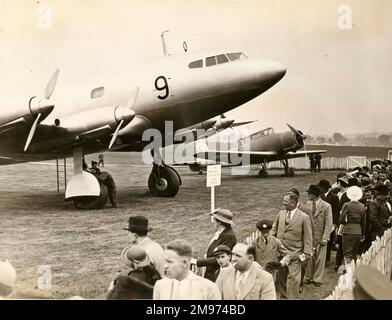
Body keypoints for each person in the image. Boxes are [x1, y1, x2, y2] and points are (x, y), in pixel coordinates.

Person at [272, 193, 313, 299]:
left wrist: (306, 253)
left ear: (293, 203)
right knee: (281, 278)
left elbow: (308, 236)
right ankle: (283, 297)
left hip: (295, 254)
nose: (283, 203)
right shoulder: (281, 214)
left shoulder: (304, 217)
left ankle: (292, 298)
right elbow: (274, 230)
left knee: (293, 280)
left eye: (285, 201)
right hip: (281, 253)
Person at [153, 239, 221, 300]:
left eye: (170, 262)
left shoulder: (208, 288)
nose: (165, 266)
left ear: (184, 262)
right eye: (165, 261)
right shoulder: (160, 286)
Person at [194, 208, 237, 282]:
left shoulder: (229, 235)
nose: (213, 221)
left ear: (219, 222)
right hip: (211, 272)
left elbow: (221, 257)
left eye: (214, 219)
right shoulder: (220, 232)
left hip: (219, 274)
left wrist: (197, 262)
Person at [303, 185, 333, 287]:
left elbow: (329, 223)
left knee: (320, 258)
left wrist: (325, 237)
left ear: (315, 195)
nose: (308, 195)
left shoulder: (326, 206)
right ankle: (308, 277)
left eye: (310, 193)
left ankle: (317, 278)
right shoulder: (308, 204)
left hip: (321, 235)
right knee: (309, 256)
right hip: (309, 235)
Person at [339, 186, 366, 265]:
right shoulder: (362, 206)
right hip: (358, 231)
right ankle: (353, 270)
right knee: (354, 252)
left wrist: (345, 223)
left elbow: (341, 219)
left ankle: (346, 271)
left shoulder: (346, 205)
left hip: (348, 230)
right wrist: (363, 233)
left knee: (347, 252)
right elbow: (363, 222)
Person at [317, 179, 340, 265]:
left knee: (328, 241)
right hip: (320, 222)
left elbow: (336, 211)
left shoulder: (334, 197)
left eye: (321, 188)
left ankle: (326, 259)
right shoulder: (319, 197)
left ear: (325, 188)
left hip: (330, 223)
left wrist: (334, 224)